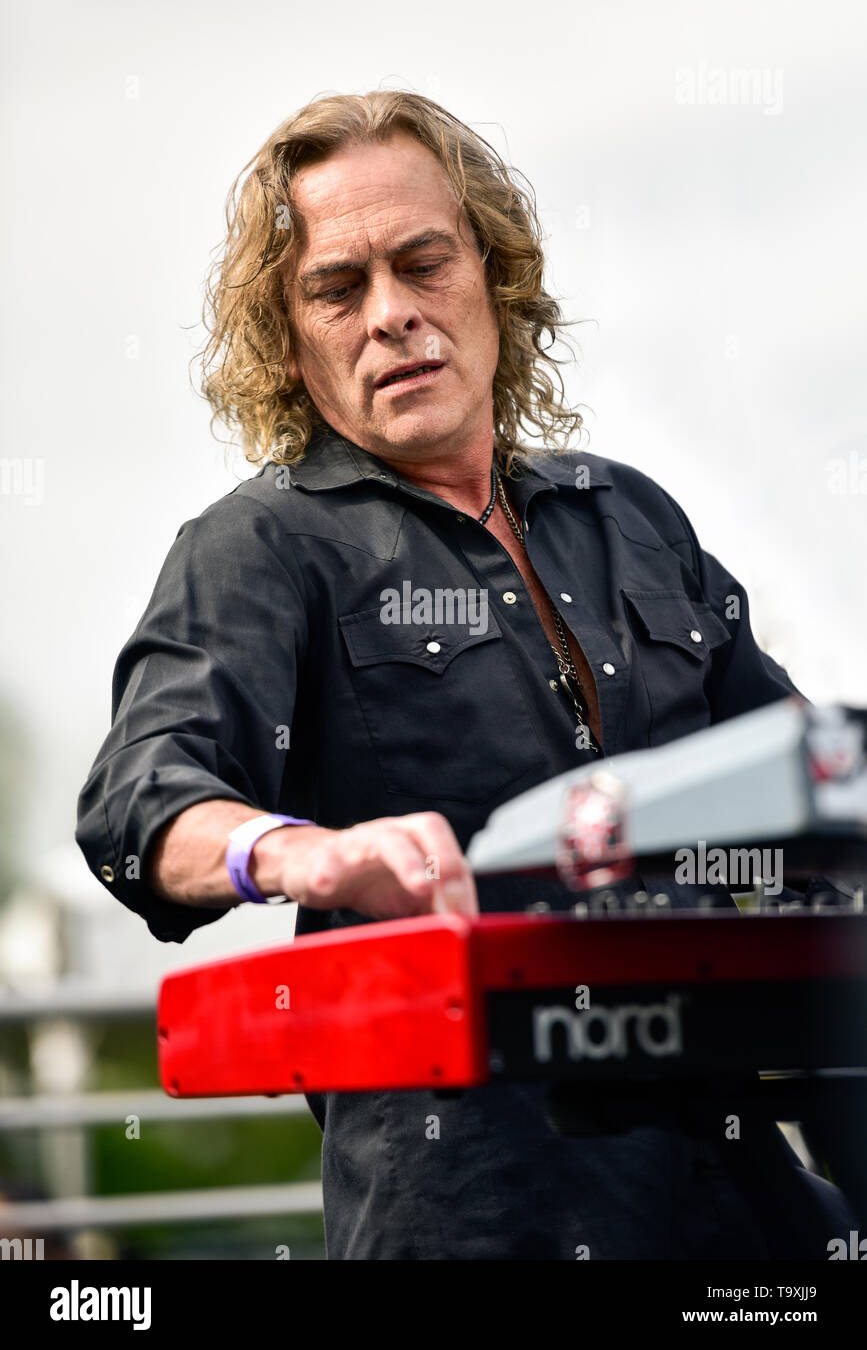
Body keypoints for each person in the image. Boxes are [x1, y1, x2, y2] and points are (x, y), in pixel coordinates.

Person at [76, 91, 854, 1259]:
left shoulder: (631, 515)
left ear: (491, 277)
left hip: (732, 1191)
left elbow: (804, 770)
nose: (391, 315)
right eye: (338, 289)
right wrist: (303, 851)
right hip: (477, 1212)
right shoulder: (261, 546)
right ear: (292, 343)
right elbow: (137, 806)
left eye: (422, 264)